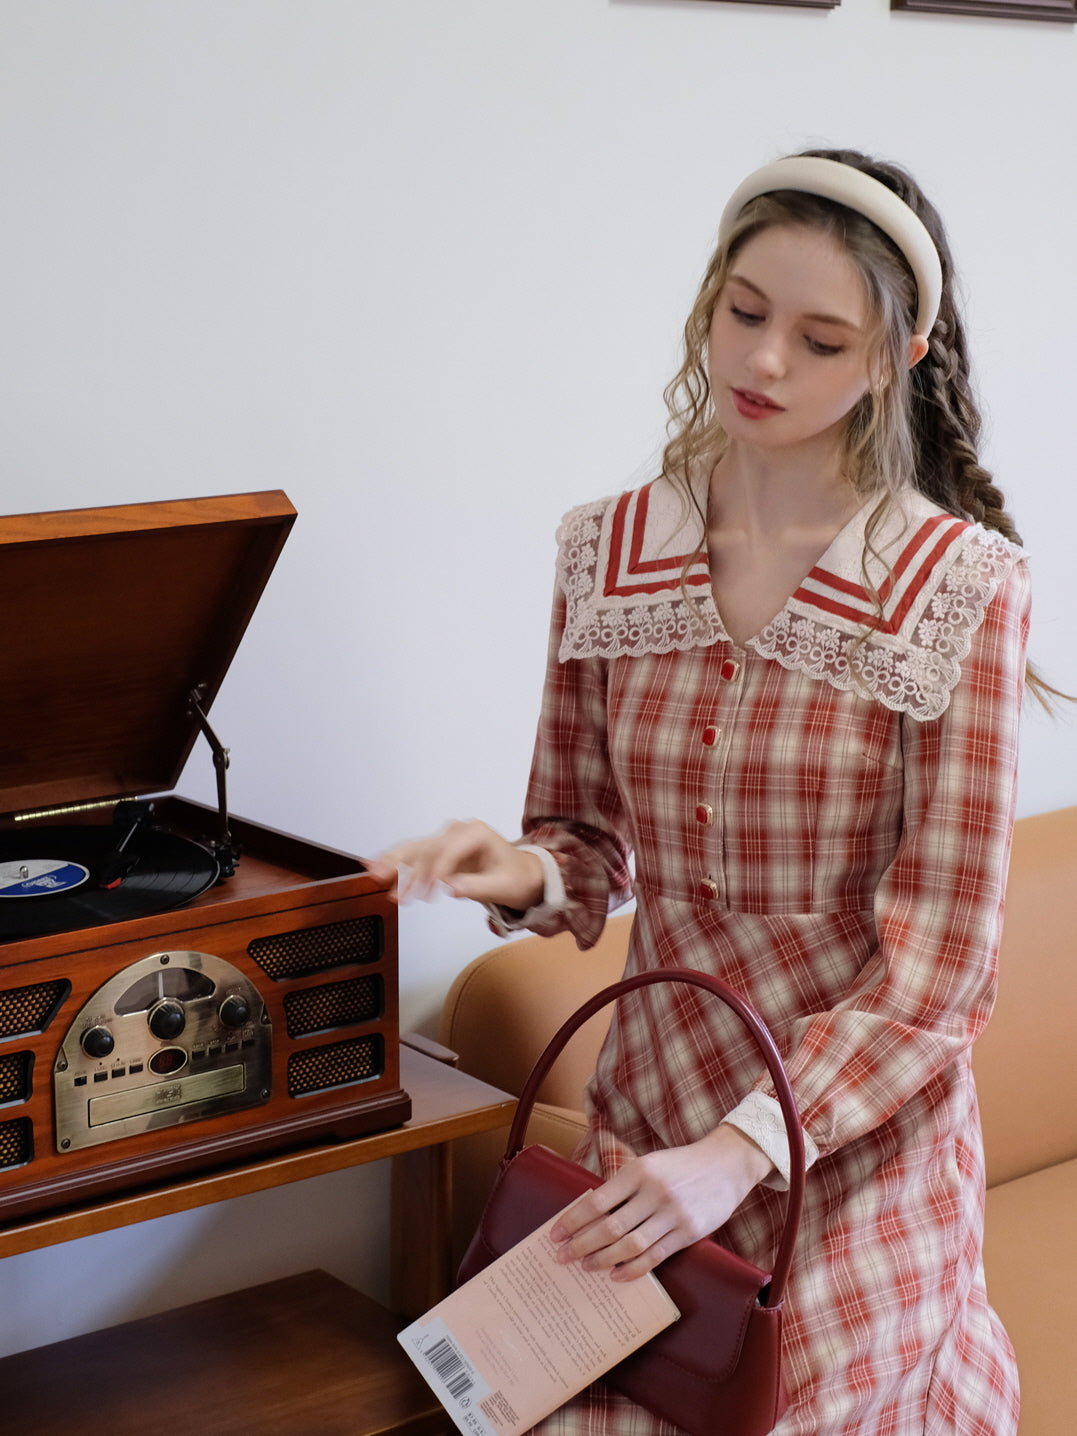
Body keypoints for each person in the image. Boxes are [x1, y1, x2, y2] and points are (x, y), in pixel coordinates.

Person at [370, 149, 1033, 1435]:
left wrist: (736, 1157)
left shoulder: (956, 591)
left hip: (854, 1163)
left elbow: (939, 976)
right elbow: (589, 841)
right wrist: (525, 871)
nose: (765, 362)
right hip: (649, 1119)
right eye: (743, 311)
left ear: (898, 358)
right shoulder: (608, 554)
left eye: (819, 336)